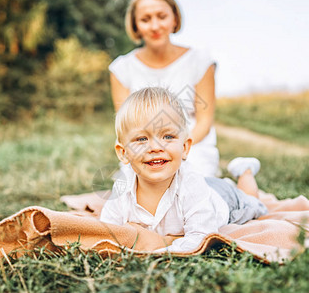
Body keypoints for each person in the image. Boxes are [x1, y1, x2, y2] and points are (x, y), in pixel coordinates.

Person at [100, 87, 267, 252]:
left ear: (185, 147)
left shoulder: (191, 186)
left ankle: (245, 171)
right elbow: (107, 232)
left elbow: (201, 238)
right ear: (123, 153)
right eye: (142, 139)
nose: (155, 147)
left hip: (224, 199)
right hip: (204, 186)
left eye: (168, 136)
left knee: (253, 203)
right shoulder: (123, 188)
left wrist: (161, 243)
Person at [109, 0, 219, 177]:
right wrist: (149, 151)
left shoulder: (200, 61)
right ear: (135, 25)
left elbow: (204, 121)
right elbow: (126, 127)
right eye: (145, 19)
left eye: (162, 17)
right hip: (142, 150)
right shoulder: (121, 68)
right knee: (139, 189)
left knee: (190, 184)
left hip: (192, 147)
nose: (155, 26)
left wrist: (175, 148)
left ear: (174, 18)